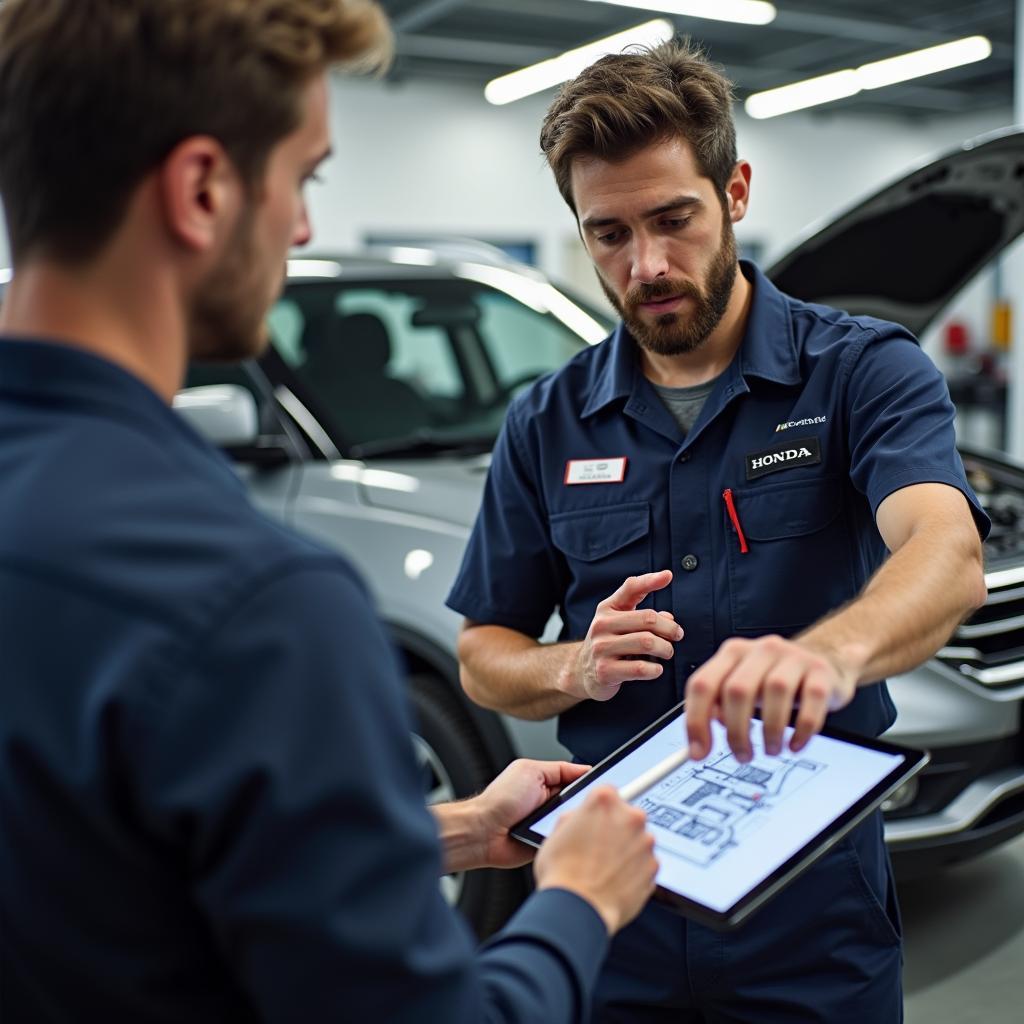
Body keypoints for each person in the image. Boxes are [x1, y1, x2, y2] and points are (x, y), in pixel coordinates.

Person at [0, 2, 660, 1022]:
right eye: (303, 178)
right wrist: (576, 898)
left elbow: (107, 860)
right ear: (204, 189)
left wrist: (447, 828)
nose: (304, 227)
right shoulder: (255, 602)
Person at [447, 39, 990, 1023]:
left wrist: (825, 657)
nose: (644, 265)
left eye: (672, 219)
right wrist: (571, 667)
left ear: (733, 190)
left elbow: (944, 554)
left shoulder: (859, 372)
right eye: (606, 233)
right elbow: (483, 656)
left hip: (811, 904)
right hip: (608, 902)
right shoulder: (545, 421)